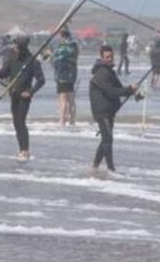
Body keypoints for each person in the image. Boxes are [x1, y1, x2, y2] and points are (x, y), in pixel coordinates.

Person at [0, 35, 45, 160]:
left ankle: (25, 150)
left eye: (16, 46)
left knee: (21, 122)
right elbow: (3, 73)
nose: (14, 48)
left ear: (22, 47)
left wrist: (30, 92)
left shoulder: (32, 62)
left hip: (24, 96)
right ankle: (21, 149)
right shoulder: (11, 59)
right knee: (16, 123)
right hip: (14, 94)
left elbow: (41, 80)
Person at [90, 45, 137, 173]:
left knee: (105, 139)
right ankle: (111, 168)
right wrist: (127, 90)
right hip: (102, 112)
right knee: (108, 139)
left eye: (111, 56)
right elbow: (111, 92)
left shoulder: (110, 72)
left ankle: (95, 166)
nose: (110, 59)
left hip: (109, 111)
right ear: (102, 58)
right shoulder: (101, 73)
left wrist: (132, 91)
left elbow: (119, 88)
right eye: (107, 57)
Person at [50, 28, 79, 126]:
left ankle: (62, 121)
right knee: (71, 99)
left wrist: (50, 57)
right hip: (71, 76)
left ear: (62, 36)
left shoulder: (62, 48)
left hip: (62, 76)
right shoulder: (74, 46)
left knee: (63, 99)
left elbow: (56, 62)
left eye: (60, 37)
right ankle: (72, 121)